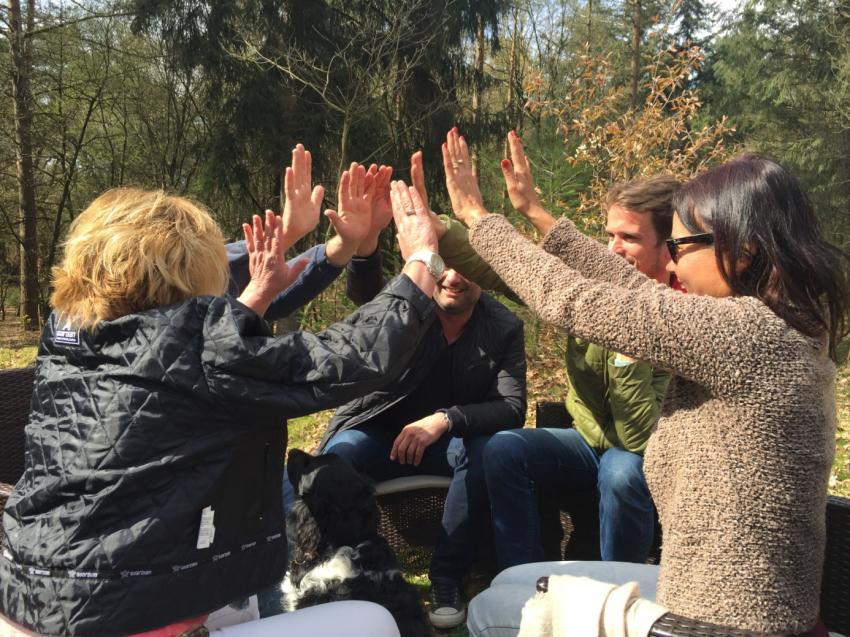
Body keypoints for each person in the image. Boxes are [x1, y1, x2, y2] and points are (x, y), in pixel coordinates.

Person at [435, 128, 849, 635]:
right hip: (708, 596)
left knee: (491, 611)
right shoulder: (788, 323)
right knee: (517, 579)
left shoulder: (747, 335)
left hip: (717, 622)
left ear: (743, 251)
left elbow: (572, 299)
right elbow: (626, 282)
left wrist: (479, 219)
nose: (672, 262)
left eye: (680, 245)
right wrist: (538, 217)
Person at [0, 166, 442, 636]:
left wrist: (259, 293)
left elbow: (170, 360)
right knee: (371, 621)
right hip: (122, 619)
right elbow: (355, 356)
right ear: (190, 275)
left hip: (26, 597)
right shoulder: (200, 350)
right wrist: (422, 259)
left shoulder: (66, 337)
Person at [432, 133, 678, 566]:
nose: (613, 249)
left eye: (630, 238)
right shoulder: (598, 284)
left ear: (668, 245)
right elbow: (507, 273)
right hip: (586, 439)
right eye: (608, 235)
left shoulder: (684, 313)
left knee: (620, 472)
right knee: (504, 449)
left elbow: (638, 438)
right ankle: (524, 577)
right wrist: (441, 231)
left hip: (642, 452)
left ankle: (616, 591)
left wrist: (627, 355)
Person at [308, 153, 527, 631]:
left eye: (463, 268)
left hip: (446, 446)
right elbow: (369, 298)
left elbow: (511, 407)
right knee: (337, 459)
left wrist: (445, 419)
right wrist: (364, 248)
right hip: (376, 432)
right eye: (443, 265)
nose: (450, 276)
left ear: (481, 271)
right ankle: (331, 575)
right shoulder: (415, 302)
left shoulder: (504, 326)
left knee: (486, 451)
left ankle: (447, 577)